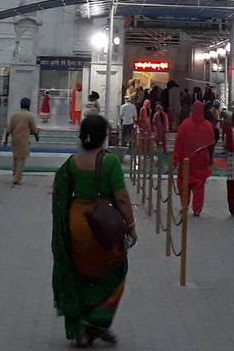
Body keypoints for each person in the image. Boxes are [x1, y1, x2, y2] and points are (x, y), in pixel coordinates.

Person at [52, 115, 137, 347]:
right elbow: (122, 198)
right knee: (116, 272)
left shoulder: (71, 162)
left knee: (80, 277)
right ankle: (96, 322)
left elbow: (58, 193)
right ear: (104, 136)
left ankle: (80, 331)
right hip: (102, 229)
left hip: (76, 226)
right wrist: (131, 228)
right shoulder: (110, 162)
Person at [173, 101, 215, 216]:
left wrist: (175, 159)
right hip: (201, 161)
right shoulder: (207, 126)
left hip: (186, 161)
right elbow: (210, 145)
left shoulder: (185, 124)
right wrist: (210, 158)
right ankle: (197, 209)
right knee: (199, 186)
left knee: (184, 183)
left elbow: (179, 143)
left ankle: (185, 206)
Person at [7, 97, 40, 185]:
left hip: (14, 140)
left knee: (15, 158)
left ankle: (15, 175)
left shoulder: (14, 115)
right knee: (21, 159)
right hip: (23, 140)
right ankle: (16, 178)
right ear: (28, 106)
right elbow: (33, 129)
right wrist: (37, 136)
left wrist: (6, 140)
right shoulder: (29, 116)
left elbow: (9, 129)